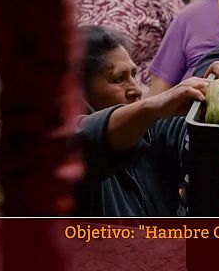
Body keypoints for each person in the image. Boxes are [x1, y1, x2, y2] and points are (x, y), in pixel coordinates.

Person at [74, 25, 208, 216]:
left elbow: (190, 131)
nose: (136, 89)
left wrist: (216, 88)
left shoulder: (149, 134)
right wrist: (153, 106)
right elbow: (86, 136)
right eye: (119, 78)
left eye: (133, 75)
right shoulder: (61, 150)